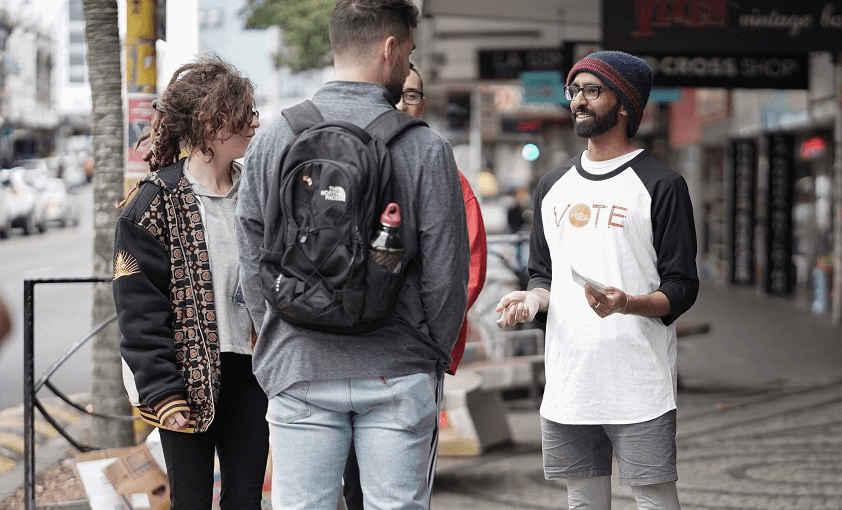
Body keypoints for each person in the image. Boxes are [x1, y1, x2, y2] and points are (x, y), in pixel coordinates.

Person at [235, 1, 469, 509]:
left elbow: (251, 252)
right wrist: (428, 349)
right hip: (396, 365)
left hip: (298, 363)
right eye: (408, 51)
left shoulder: (275, 138)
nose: (408, 64)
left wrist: (276, 330)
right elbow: (447, 269)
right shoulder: (426, 149)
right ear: (390, 48)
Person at [495, 50, 699, 510]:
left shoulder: (662, 184)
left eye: (592, 90)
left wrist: (628, 303)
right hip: (571, 380)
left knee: (654, 501)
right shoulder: (552, 184)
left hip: (638, 382)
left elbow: (683, 287)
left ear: (624, 104)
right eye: (574, 91)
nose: (577, 102)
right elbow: (542, 274)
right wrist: (532, 300)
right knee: (583, 502)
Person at [112, 55, 269, 510]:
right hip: (184, 379)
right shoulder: (151, 204)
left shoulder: (258, 193)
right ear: (212, 123)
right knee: (192, 502)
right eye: (246, 114)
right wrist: (163, 392)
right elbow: (139, 312)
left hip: (252, 377)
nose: (255, 123)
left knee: (245, 499)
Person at [341, 64, 488, 510]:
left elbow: (468, 271)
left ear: (421, 105)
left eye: (412, 96)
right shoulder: (337, 164)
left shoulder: (446, 173)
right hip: (337, 354)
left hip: (411, 360)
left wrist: (428, 342)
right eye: (395, 94)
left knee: (401, 494)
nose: (402, 103)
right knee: (349, 487)